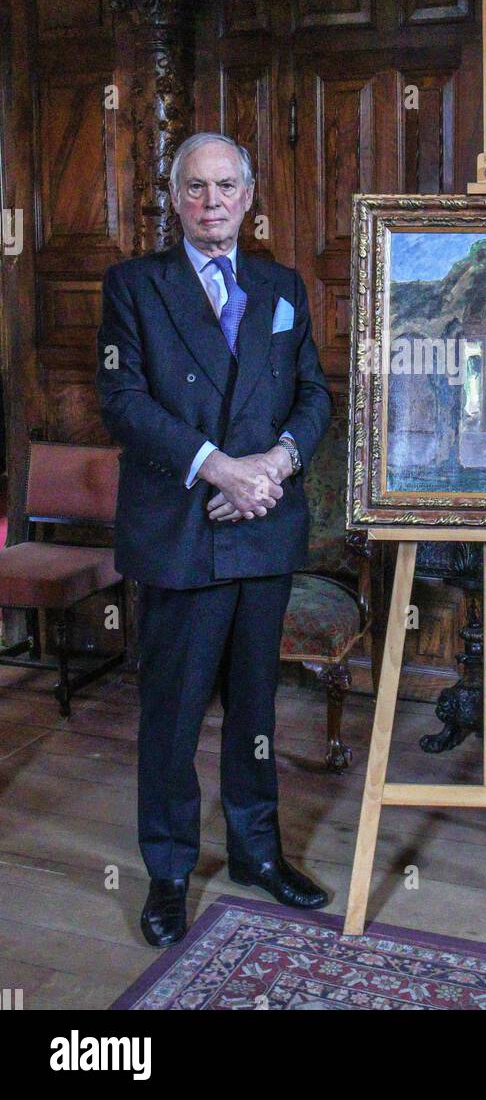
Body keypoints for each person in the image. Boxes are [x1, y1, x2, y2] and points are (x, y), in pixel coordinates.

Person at [96, 132, 332, 948]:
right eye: (193, 188)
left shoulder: (280, 284)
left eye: (225, 186)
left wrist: (273, 463)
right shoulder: (132, 285)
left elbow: (312, 393)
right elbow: (123, 401)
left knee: (256, 708)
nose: (210, 202)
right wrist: (218, 471)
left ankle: (256, 854)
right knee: (172, 712)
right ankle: (166, 872)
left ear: (249, 193)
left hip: (262, 523)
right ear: (174, 198)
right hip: (183, 529)